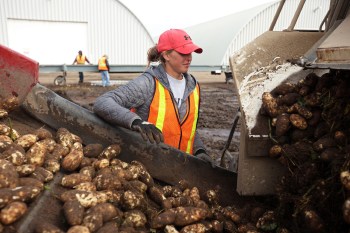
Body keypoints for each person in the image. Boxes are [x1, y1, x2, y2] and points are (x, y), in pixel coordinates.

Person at [93, 29, 215, 166]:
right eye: (183, 53)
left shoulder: (194, 87)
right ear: (166, 55)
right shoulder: (148, 83)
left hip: (181, 170)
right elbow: (103, 102)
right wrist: (137, 122)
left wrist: (199, 150)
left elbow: (188, 127)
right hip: (150, 168)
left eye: (190, 52)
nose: (189, 58)